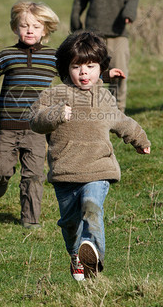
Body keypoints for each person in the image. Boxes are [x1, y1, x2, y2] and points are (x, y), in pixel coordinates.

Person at [29, 30, 150, 281]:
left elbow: (121, 121)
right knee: (70, 224)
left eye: (91, 66)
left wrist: (139, 139)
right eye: (77, 66)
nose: (84, 72)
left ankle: (94, 257)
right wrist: (55, 114)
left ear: (100, 68)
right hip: (65, 173)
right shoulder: (54, 95)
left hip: (98, 169)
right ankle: (77, 255)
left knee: (91, 208)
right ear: (66, 68)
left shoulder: (104, 96)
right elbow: (35, 120)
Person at [0, 0, 60, 229]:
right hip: (8, 126)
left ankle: (31, 220)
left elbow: (79, 72)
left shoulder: (54, 57)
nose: (30, 30)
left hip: (37, 128)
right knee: (0, 167)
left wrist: (106, 75)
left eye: (36, 26)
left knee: (33, 175)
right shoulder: (7, 55)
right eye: (25, 25)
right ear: (15, 28)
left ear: (45, 30)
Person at [70, 0, 139, 113]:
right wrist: (75, 18)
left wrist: (129, 13)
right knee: (92, 74)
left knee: (119, 73)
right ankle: (91, 111)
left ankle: (118, 113)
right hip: (93, 33)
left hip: (118, 33)